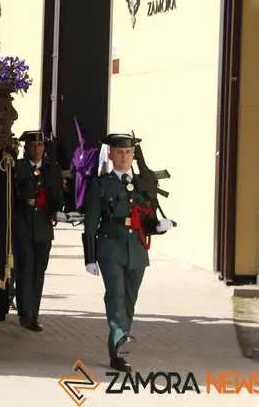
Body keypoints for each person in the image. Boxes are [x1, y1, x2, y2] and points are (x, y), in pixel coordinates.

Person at [83, 133, 175, 373]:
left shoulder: (143, 184)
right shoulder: (101, 185)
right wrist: (90, 257)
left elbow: (148, 220)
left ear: (133, 155)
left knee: (129, 300)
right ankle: (121, 335)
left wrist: (159, 227)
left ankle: (117, 352)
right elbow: (91, 223)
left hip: (136, 248)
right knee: (115, 295)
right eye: (119, 152)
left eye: (127, 152)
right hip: (110, 246)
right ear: (111, 155)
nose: (123, 157)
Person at [12, 130, 64, 332]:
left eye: (40, 145)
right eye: (33, 145)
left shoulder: (52, 169)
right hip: (23, 224)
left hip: (43, 226)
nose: (37, 149)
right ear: (26, 148)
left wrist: (56, 210)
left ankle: (34, 312)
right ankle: (25, 315)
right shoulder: (18, 168)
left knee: (39, 269)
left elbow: (58, 196)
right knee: (25, 267)